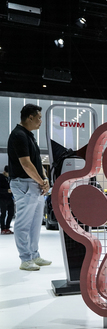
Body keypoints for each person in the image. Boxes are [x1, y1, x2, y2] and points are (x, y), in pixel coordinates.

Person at [7, 104, 52, 271]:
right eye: (39, 118)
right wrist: (41, 181)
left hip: (34, 184)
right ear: (30, 117)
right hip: (23, 183)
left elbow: (36, 162)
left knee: (34, 224)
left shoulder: (29, 136)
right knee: (23, 223)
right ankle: (25, 259)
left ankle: (34, 255)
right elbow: (25, 164)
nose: (41, 121)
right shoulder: (18, 135)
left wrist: (44, 178)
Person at [0, 165, 15, 234]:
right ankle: (3, 228)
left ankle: (7, 227)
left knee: (11, 212)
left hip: (9, 198)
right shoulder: (1, 178)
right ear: (5, 172)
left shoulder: (10, 178)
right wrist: (6, 191)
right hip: (2, 198)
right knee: (3, 213)